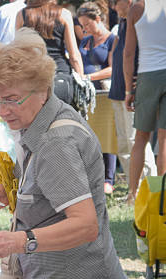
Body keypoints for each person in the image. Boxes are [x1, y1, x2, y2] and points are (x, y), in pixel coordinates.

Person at [0, 28, 126, 279]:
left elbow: (86, 225)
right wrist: (13, 194)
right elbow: (48, 186)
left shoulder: (56, 142)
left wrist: (21, 240)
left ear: (42, 90)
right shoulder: (38, 120)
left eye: (11, 99)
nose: (2, 109)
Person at [123, 0, 166, 203]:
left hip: (147, 76)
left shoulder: (136, 7)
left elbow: (128, 53)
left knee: (141, 138)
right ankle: (164, 193)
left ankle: (132, 193)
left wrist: (128, 89)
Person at [107, 0, 156, 191]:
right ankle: (132, 189)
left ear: (128, 2)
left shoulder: (140, 22)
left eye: (115, 2)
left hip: (133, 91)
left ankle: (150, 187)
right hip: (118, 90)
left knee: (137, 141)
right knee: (123, 144)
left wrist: (132, 88)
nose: (112, 7)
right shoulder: (122, 22)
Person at [77, 2, 117, 195]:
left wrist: (89, 77)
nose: (85, 29)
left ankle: (108, 179)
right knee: (89, 136)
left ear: (98, 19)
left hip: (104, 92)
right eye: (82, 26)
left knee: (107, 135)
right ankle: (93, 177)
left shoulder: (112, 39)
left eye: (87, 24)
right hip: (86, 95)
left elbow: (113, 68)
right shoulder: (86, 40)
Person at [16, 0, 84, 105]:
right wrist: (82, 81)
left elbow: (18, 51)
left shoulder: (22, 14)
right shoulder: (64, 14)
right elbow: (74, 55)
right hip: (60, 74)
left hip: (32, 77)